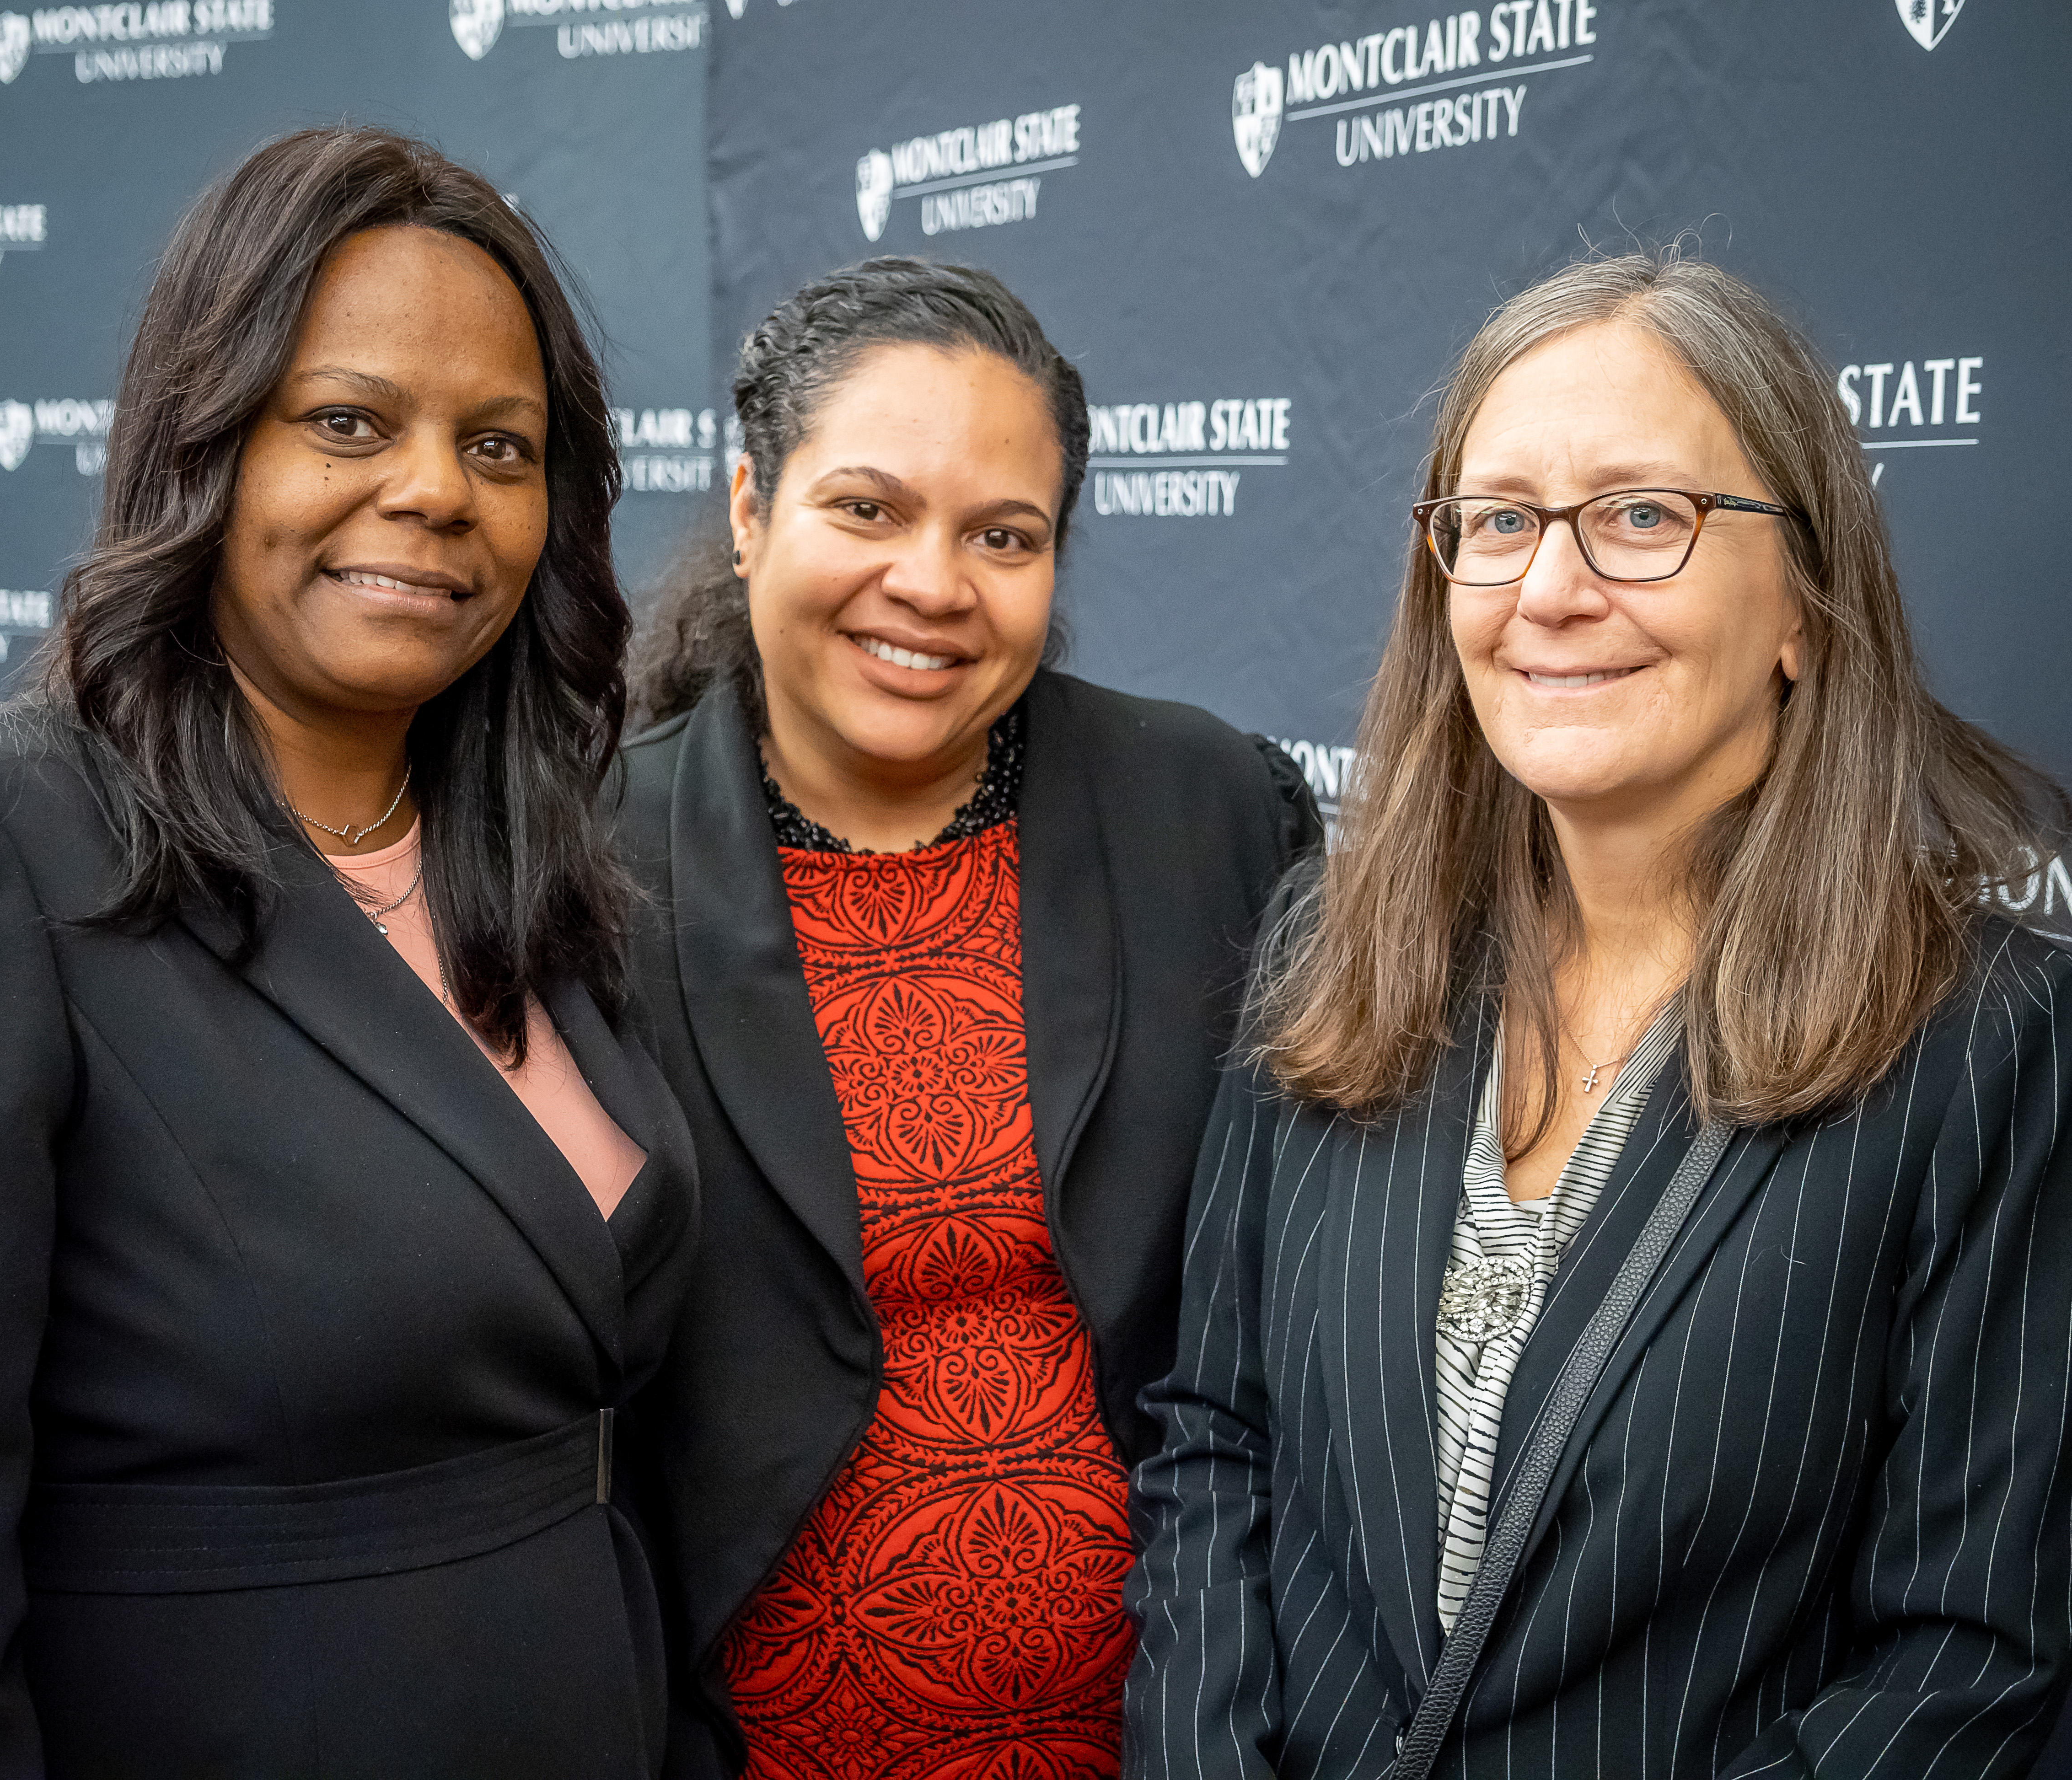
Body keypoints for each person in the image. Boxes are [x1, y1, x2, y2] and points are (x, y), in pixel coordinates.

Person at [0, 127, 695, 1778]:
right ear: (202, 439)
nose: (436, 490)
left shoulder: (540, 866)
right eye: (349, 422)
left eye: (499, 445)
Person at [1124, 249, 2072, 1779]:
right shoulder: (1333, 941)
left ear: (1803, 604)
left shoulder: (1990, 1037)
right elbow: (1215, 1442)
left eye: (1643, 516)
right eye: (1500, 521)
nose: (1552, 591)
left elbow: (1971, 1650)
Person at [617, 256, 1324, 1780]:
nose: (933, 583)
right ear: (748, 509)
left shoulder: (1208, 811)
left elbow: (1304, 1318)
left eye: (1003, 535)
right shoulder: (588, 864)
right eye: (868, 509)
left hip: (1175, 1739)